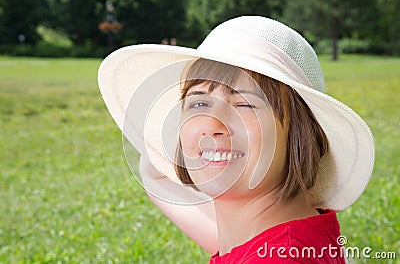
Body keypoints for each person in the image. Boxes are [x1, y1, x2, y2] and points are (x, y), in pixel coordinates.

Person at [98, 16, 374, 263]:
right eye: (198, 103)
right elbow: (154, 174)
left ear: (300, 133)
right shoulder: (278, 234)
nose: (212, 124)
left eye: (245, 104)